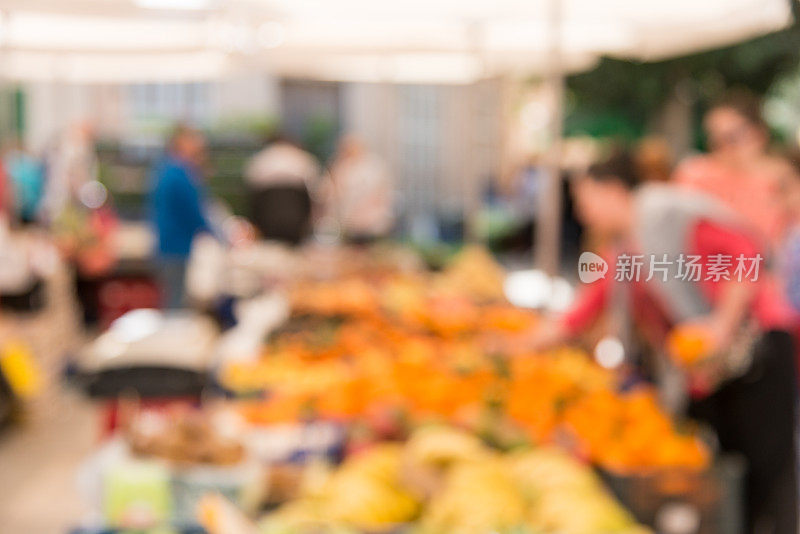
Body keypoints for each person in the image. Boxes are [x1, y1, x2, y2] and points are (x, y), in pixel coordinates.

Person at [527, 151, 798, 534]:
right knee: (726, 470)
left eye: (585, 202)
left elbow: (746, 258)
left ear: (613, 190)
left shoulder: (666, 213)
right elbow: (586, 309)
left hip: (757, 352)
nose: (585, 215)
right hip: (711, 367)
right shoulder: (624, 248)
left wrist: (719, 326)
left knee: (767, 472)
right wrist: (522, 342)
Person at [673, 90, 789, 246]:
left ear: (759, 133)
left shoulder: (782, 176)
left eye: (732, 137)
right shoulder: (696, 172)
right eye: (715, 139)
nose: (725, 148)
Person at [151, 124, 213, 309]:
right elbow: (193, 213)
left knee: (174, 299)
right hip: (176, 247)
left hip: (170, 245)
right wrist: (215, 235)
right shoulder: (178, 174)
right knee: (176, 303)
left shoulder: (167, 170)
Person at [244, 133, 319, 244]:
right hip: (296, 220)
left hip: (266, 219)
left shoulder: (261, 159)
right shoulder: (302, 158)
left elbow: (251, 189)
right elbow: (315, 192)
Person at [327, 134, 394, 243]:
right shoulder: (341, 167)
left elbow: (380, 194)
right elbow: (335, 193)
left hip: (370, 221)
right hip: (348, 223)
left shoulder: (373, 166)